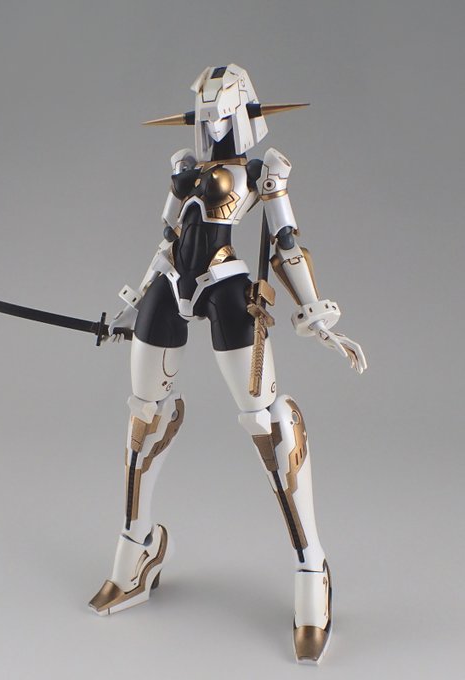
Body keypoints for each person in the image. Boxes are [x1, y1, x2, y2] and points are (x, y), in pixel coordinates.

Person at [88, 64, 366, 665]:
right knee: (144, 414)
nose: (213, 125)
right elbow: (167, 241)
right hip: (171, 283)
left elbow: (286, 244)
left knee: (266, 421)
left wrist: (318, 315)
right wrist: (134, 303)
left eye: (222, 113)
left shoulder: (264, 170)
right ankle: (138, 550)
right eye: (206, 113)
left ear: (243, 111)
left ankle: (311, 566)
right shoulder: (183, 169)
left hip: (226, 282)